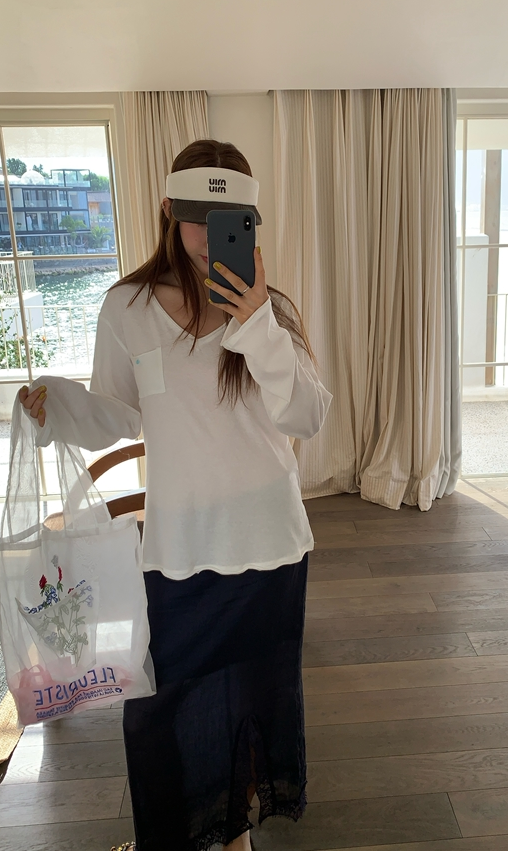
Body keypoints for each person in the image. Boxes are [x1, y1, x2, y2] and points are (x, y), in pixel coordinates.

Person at [19, 139, 332, 851]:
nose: (209, 234)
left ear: (251, 221)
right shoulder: (126, 308)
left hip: (269, 544)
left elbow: (307, 417)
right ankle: (176, 836)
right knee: (160, 712)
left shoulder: (268, 312)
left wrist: (257, 322)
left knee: (252, 701)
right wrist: (57, 406)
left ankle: (234, 832)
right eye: (197, 216)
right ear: (167, 209)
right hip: (179, 549)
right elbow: (117, 414)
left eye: (229, 220)